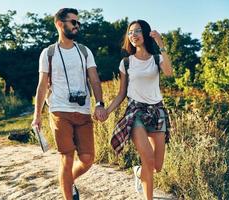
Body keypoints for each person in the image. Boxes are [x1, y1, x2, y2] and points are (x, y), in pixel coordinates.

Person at [31, 8, 106, 200]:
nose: (77, 26)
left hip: (82, 111)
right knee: (67, 157)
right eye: (73, 22)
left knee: (88, 159)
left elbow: (95, 79)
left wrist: (99, 103)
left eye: (78, 23)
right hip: (59, 110)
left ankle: (67, 181)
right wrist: (37, 115)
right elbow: (41, 85)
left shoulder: (84, 51)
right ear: (59, 24)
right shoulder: (48, 53)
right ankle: (67, 194)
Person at [105, 20, 172, 200]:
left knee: (157, 166)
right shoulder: (126, 62)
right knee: (148, 159)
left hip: (157, 111)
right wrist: (107, 111)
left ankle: (138, 172)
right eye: (131, 32)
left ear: (146, 33)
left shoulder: (156, 59)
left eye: (138, 31)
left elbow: (168, 72)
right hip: (135, 112)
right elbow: (121, 94)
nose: (133, 35)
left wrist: (161, 45)